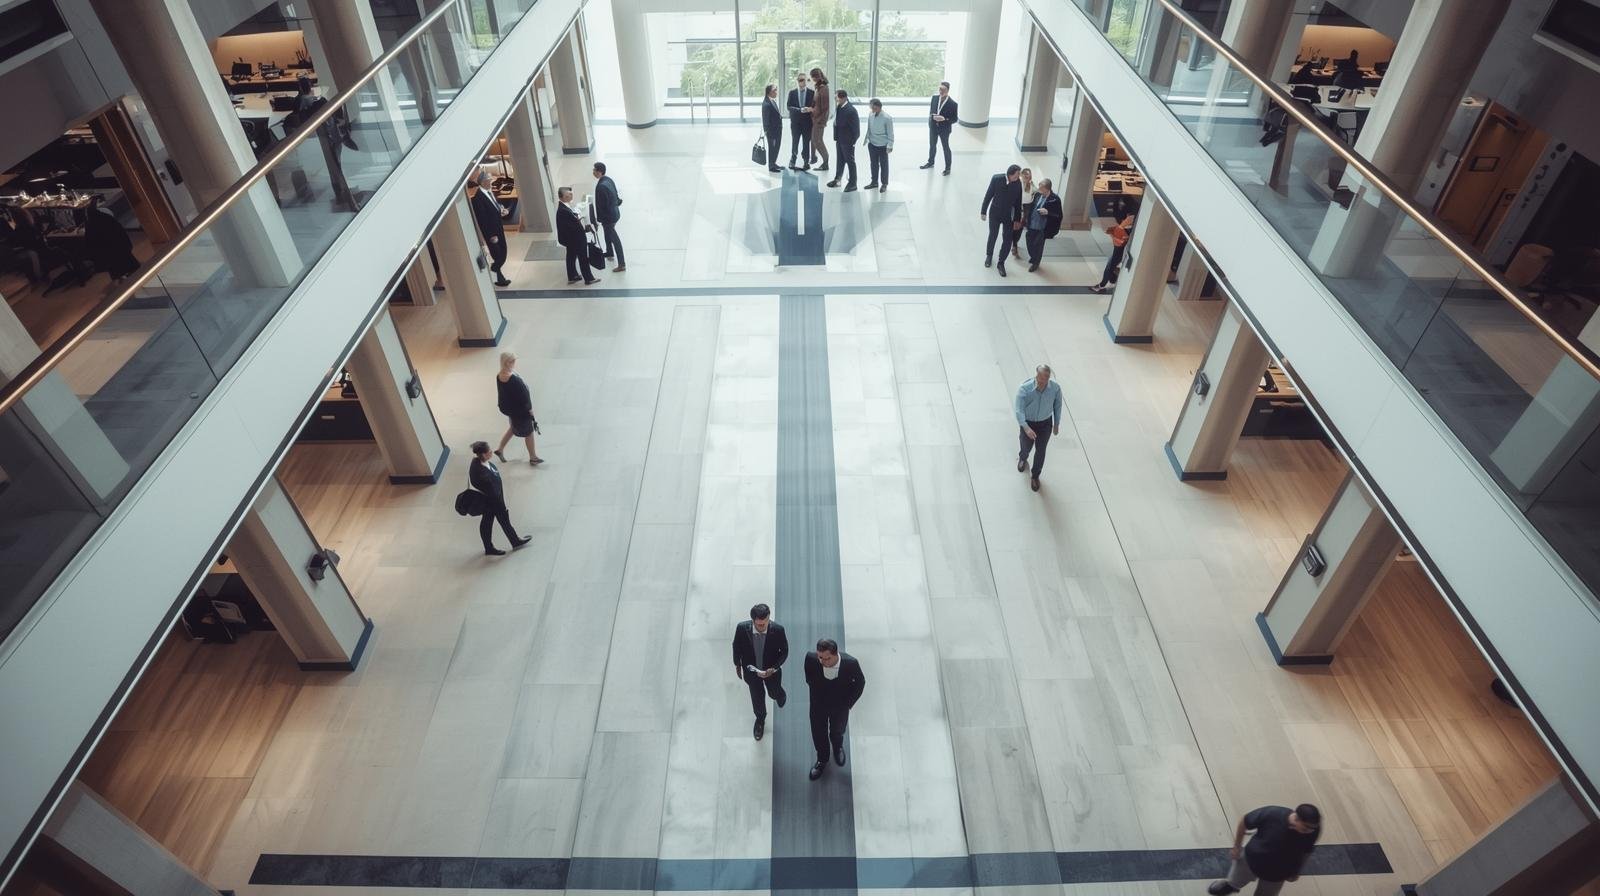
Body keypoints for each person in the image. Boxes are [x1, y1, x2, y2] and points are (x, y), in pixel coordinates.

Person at [1209, 804, 1321, 895]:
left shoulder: (1313, 830)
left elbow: (1306, 851)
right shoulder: (1272, 814)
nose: (1310, 831)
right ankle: (1231, 885)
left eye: (1313, 828)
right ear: (1296, 818)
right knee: (1236, 879)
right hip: (1251, 860)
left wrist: (1296, 871)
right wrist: (1237, 846)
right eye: (1306, 827)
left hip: (1278, 872)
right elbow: (1244, 821)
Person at [731, 603, 789, 741]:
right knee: (757, 697)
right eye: (760, 625)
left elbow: (785, 651)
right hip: (752, 672)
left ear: (769, 617)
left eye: (766, 623)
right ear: (753, 621)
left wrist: (774, 668)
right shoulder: (741, 628)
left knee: (773, 692)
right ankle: (760, 720)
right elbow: (736, 647)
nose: (763, 627)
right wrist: (737, 664)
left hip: (772, 671)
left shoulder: (778, 630)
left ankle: (780, 694)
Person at [468, 440, 531, 556]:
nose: (491, 452)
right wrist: (500, 504)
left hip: (494, 499)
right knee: (501, 521)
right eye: (489, 451)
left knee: (488, 522)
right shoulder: (481, 473)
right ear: (483, 454)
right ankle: (513, 541)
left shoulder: (480, 463)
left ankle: (494, 546)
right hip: (493, 502)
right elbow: (491, 490)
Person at [1014, 364, 1062, 493]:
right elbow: (1018, 411)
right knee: (1026, 446)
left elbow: (1058, 406)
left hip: (1045, 424)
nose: (1044, 381)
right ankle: (1023, 458)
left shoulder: (1055, 389)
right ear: (1037, 374)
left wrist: (1056, 424)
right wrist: (1026, 428)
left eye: (1047, 378)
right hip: (1028, 424)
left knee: (1041, 451)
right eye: (1042, 377)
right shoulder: (1024, 389)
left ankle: (1035, 476)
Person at [493, 351, 542, 465]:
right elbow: (524, 397)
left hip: (511, 410)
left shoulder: (499, 375)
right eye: (512, 361)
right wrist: (530, 411)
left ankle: (500, 449)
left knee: (513, 427)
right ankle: (533, 457)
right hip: (521, 411)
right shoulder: (513, 379)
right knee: (529, 433)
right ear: (506, 362)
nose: (514, 363)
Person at [468, 173, 511, 287]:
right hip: (492, 233)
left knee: (503, 251)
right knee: (498, 254)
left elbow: (494, 205)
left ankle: (497, 273)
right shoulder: (478, 198)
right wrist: (491, 235)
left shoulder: (489, 192)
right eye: (489, 179)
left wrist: (501, 209)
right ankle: (497, 273)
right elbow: (483, 220)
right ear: (482, 182)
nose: (491, 181)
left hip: (498, 228)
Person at [980, 164, 1024, 276]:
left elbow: (1018, 202)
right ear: (1011, 173)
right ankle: (989, 256)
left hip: (1008, 215)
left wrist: (1017, 219)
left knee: (1008, 239)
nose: (1019, 176)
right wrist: (983, 211)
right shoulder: (997, 179)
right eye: (1018, 174)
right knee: (993, 235)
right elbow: (988, 195)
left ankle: (1001, 262)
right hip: (995, 213)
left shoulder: (1018, 184)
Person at [83, 195, 139, 282]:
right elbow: (119, 230)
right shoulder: (106, 216)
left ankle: (124, 280)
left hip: (107, 250)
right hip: (118, 245)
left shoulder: (91, 223)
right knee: (127, 262)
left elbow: (91, 241)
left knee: (115, 266)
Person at [555, 186, 598, 285]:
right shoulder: (563, 210)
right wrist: (582, 220)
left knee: (571, 256)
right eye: (569, 194)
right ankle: (589, 278)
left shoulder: (565, 206)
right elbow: (575, 225)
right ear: (564, 197)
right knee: (583, 258)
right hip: (575, 239)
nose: (571, 195)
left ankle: (572, 276)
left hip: (570, 239)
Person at [1089, 213, 1136, 292]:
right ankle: (1113, 281)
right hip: (1120, 250)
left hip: (1119, 251)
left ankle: (1101, 285)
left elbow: (1119, 239)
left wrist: (1115, 233)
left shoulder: (1122, 230)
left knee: (1109, 267)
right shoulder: (1127, 228)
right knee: (1112, 266)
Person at [1023, 179, 1062, 272]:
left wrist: (1048, 212)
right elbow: (1032, 207)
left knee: (1038, 245)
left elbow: (1059, 215)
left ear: (1047, 189)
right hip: (1032, 224)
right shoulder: (1037, 195)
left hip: (1043, 228)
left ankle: (1036, 263)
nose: (1039, 190)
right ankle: (1033, 256)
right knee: (1029, 241)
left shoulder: (1055, 199)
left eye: (1041, 188)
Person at [592, 162, 625, 272]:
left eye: (594, 170)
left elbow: (603, 206)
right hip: (615, 213)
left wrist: (600, 219)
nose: (593, 172)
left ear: (599, 171)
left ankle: (622, 264)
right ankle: (609, 252)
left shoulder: (601, 186)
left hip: (609, 217)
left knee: (615, 239)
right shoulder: (608, 180)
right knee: (607, 232)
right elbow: (615, 195)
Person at [919, 81, 958, 175]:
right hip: (933, 127)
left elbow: (955, 119)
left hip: (944, 129)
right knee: (932, 145)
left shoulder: (953, 104)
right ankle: (930, 162)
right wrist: (931, 120)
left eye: (943, 90)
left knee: (945, 147)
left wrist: (944, 119)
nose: (940, 91)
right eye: (940, 89)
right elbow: (931, 111)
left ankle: (948, 168)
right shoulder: (934, 98)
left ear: (947, 90)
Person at [826, 90, 860, 192]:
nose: (835, 99)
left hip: (848, 141)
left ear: (844, 97)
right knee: (840, 160)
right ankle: (837, 180)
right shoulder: (839, 107)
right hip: (840, 139)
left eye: (836, 97)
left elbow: (856, 129)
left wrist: (852, 141)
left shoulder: (851, 110)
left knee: (850, 162)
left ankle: (853, 183)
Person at [862, 99, 893, 192]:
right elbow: (869, 128)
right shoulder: (870, 115)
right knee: (873, 164)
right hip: (872, 144)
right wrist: (867, 139)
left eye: (872, 106)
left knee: (884, 165)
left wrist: (890, 145)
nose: (871, 108)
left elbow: (890, 133)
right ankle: (874, 182)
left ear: (877, 106)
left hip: (883, 145)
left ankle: (884, 184)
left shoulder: (887, 118)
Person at [786, 73, 816, 171]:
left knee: (806, 142)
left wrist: (810, 109)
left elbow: (815, 107)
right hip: (795, 122)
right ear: (797, 81)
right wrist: (800, 110)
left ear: (806, 81)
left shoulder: (812, 93)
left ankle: (806, 161)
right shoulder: (792, 92)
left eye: (803, 80)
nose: (801, 82)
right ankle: (793, 160)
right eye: (799, 80)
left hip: (807, 122)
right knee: (795, 141)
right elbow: (789, 107)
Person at [809, 68, 831, 171]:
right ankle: (817, 159)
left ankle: (825, 162)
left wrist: (822, 121)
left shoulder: (824, 88)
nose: (813, 79)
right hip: (815, 118)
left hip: (819, 120)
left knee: (818, 141)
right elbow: (816, 103)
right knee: (815, 140)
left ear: (817, 76)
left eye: (813, 77)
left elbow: (826, 108)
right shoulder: (818, 87)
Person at [1012, 168, 1036, 259]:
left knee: (1021, 227)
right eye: (1025, 175)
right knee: (1015, 226)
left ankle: (1015, 242)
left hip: (1027, 208)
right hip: (1018, 206)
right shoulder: (1018, 183)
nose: (1026, 177)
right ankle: (1014, 245)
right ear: (1021, 175)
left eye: (1028, 175)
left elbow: (1037, 193)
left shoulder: (1032, 186)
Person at [761, 84, 784, 172]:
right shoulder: (766, 104)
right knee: (772, 148)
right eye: (774, 90)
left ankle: (773, 163)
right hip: (772, 131)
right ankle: (771, 166)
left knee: (776, 147)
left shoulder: (772, 101)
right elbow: (766, 120)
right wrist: (767, 131)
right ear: (769, 92)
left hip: (777, 129)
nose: (776, 92)